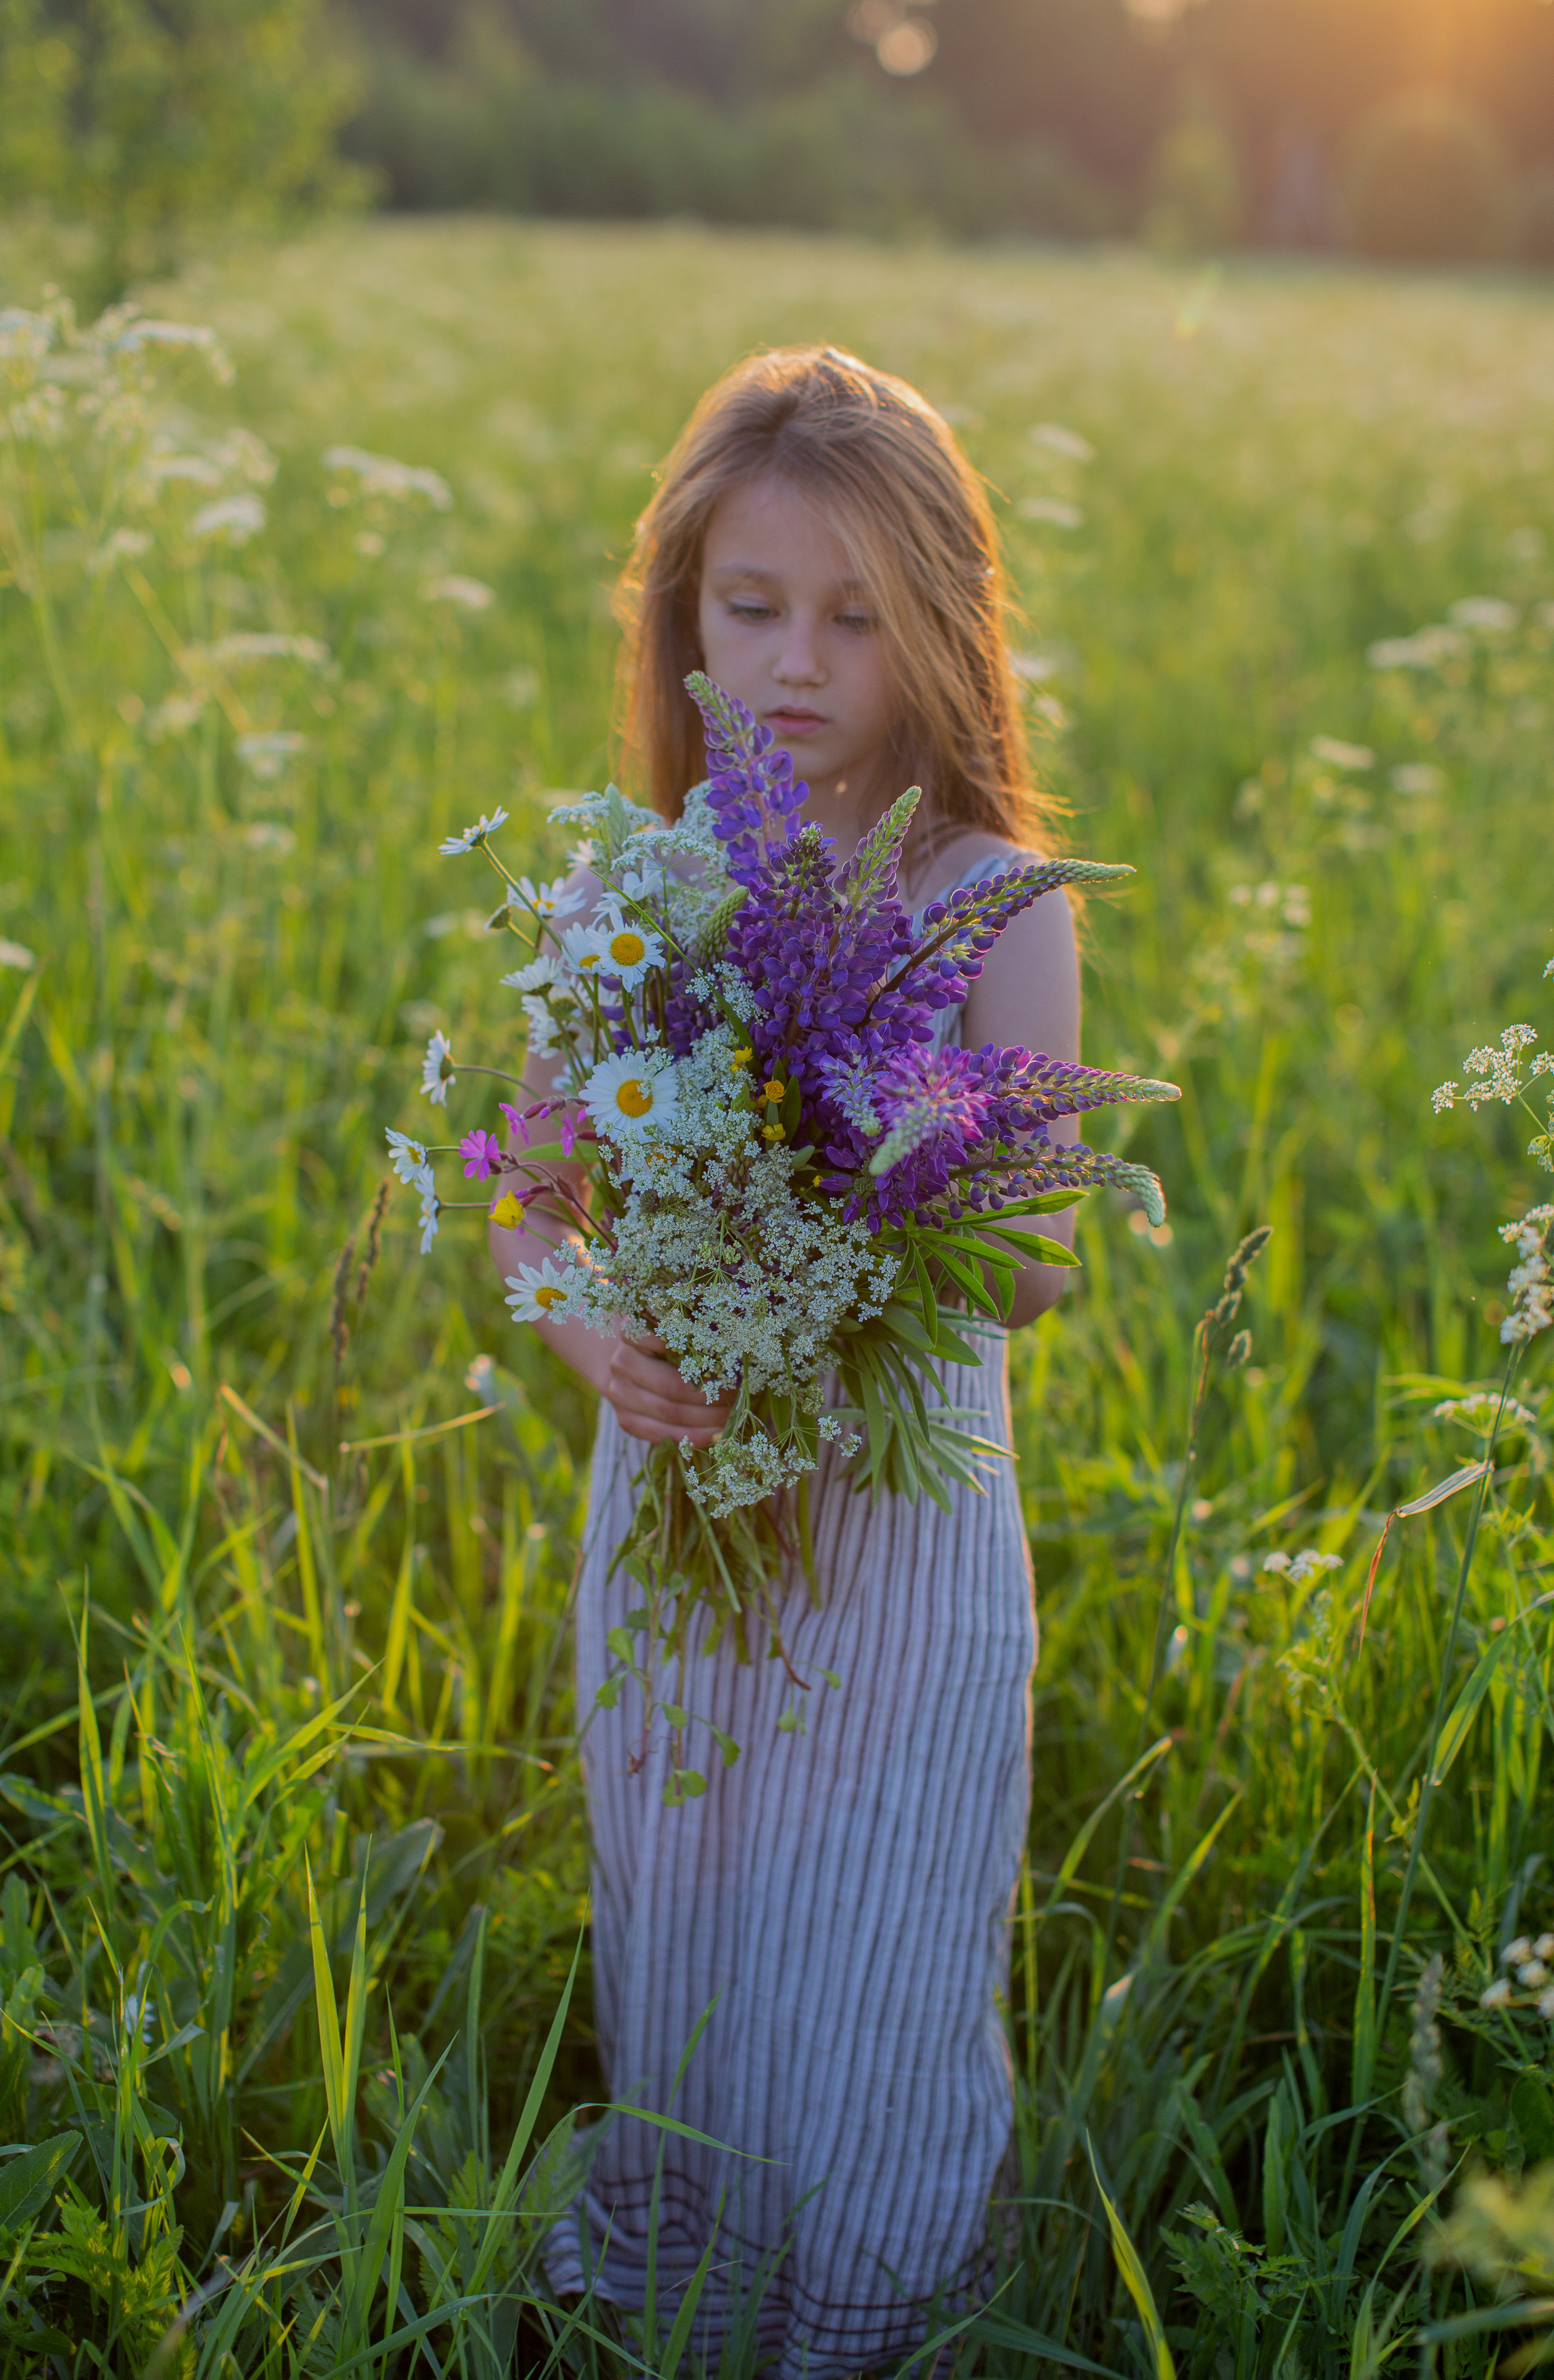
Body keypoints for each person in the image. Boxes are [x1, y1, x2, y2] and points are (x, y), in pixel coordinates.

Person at [487, 345, 1080, 2377]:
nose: (801, 663)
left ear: (939, 626)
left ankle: (874, 2320)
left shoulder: (990, 903)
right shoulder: (630, 887)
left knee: (879, 1931)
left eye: (855, 615)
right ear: (683, 619)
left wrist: (842, 1224)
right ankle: (686, 2280)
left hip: (902, 1533)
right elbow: (528, 1211)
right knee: (701, 1911)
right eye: (753, 609)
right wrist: (609, 1343)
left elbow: (1039, 1257)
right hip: (681, 1498)